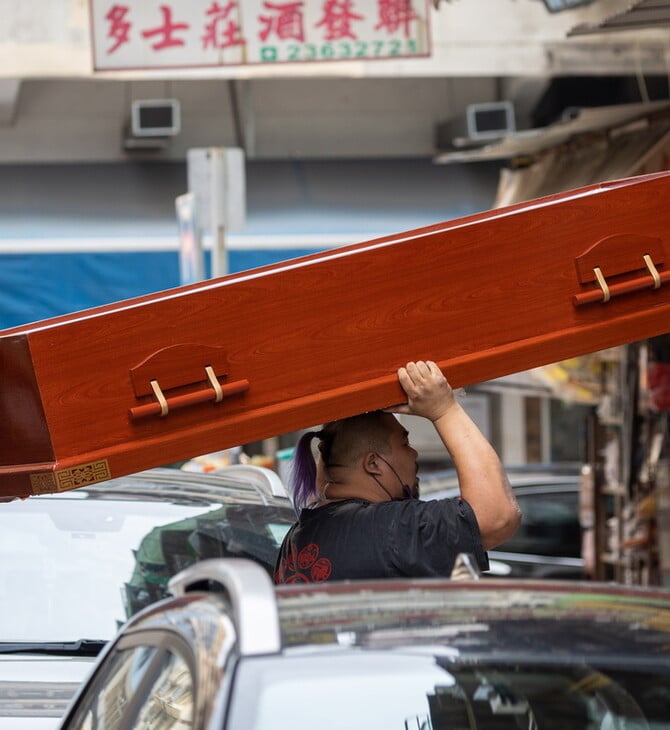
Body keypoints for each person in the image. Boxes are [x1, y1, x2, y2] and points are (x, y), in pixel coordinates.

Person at [273, 360, 521, 584]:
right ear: (373, 464)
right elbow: (497, 517)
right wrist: (445, 410)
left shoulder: (297, 537)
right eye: (405, 444)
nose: (414, 454)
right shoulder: (386, 528)